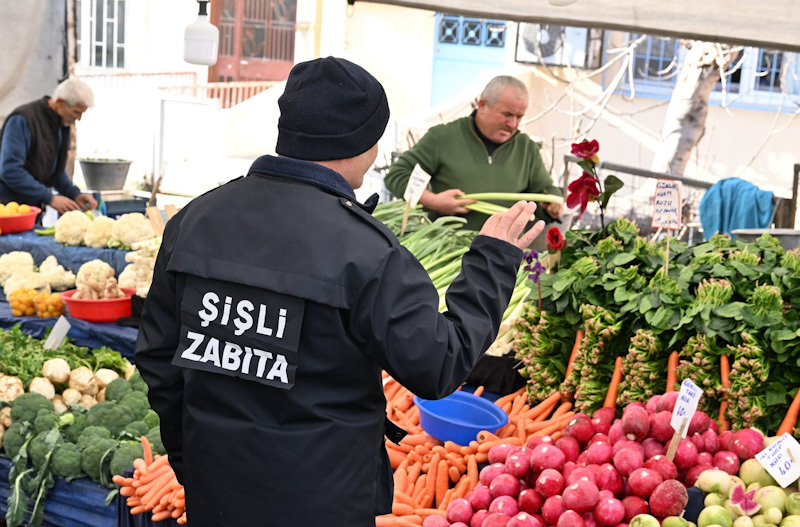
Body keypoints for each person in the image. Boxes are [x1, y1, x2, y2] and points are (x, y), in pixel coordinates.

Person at [134, 56, 544, 526]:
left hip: (217, 491)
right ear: (366, 144)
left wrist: (192, 461)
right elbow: (439, 366)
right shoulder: (366, 250)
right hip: (324, 501)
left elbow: (158, 358)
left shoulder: (195, 219)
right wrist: (492, 259)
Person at [384, 75, 563, 233]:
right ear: (482, 105)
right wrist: (432, 201)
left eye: (519, 116)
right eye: (507, 114)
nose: (513, 124)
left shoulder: (527, 148)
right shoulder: (442, 138)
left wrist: (551, 206)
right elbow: (397, 176)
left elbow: (544, 192)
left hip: (503, 254)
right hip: (447, 249)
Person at [0, 77, 98, 214]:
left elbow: (53, 170)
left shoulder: (59, 124)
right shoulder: (23, 120)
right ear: (59, 102)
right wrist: (49, 197)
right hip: (7, 210)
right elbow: (10, 170)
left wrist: (74, 194)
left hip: (31, 210)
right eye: (76, 112)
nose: (79, 119)